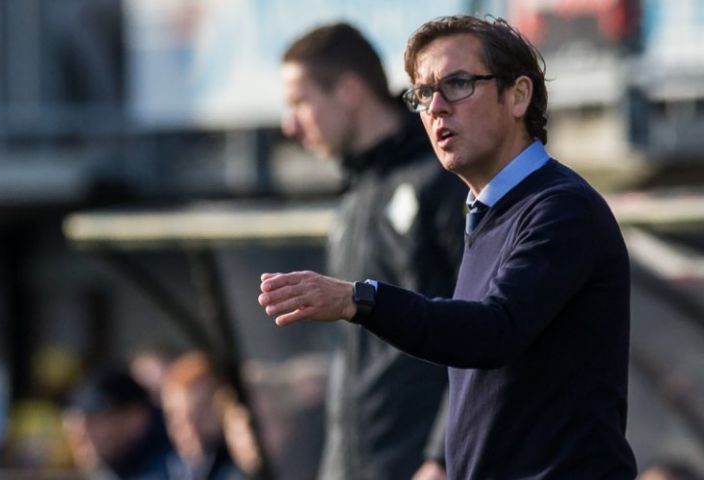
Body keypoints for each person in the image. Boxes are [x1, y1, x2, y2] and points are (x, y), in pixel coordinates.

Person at [260, 15, 638, 479]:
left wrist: (359, 300)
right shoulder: (485, 211)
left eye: (458, 84)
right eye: (423, 93)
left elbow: (492, 330)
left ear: (518, 95)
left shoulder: (561, 208)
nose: (436, 107)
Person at [279, 23, 467, 480]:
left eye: (300, 102)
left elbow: (481, 326)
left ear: (348, 91)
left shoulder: (444, 181)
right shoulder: (353, 196)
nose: (290, 125)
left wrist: (441, 456)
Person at [67, 368, 173, 480]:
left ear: (135, 418)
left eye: (93, 420)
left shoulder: (176, 468)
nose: (80, 435)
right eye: (74, 426)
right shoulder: (114, 469)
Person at [160, 351, 245, 480]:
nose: (188, 429)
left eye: (201, 413)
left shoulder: (242, 467)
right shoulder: (166, 470)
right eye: (173, 416)